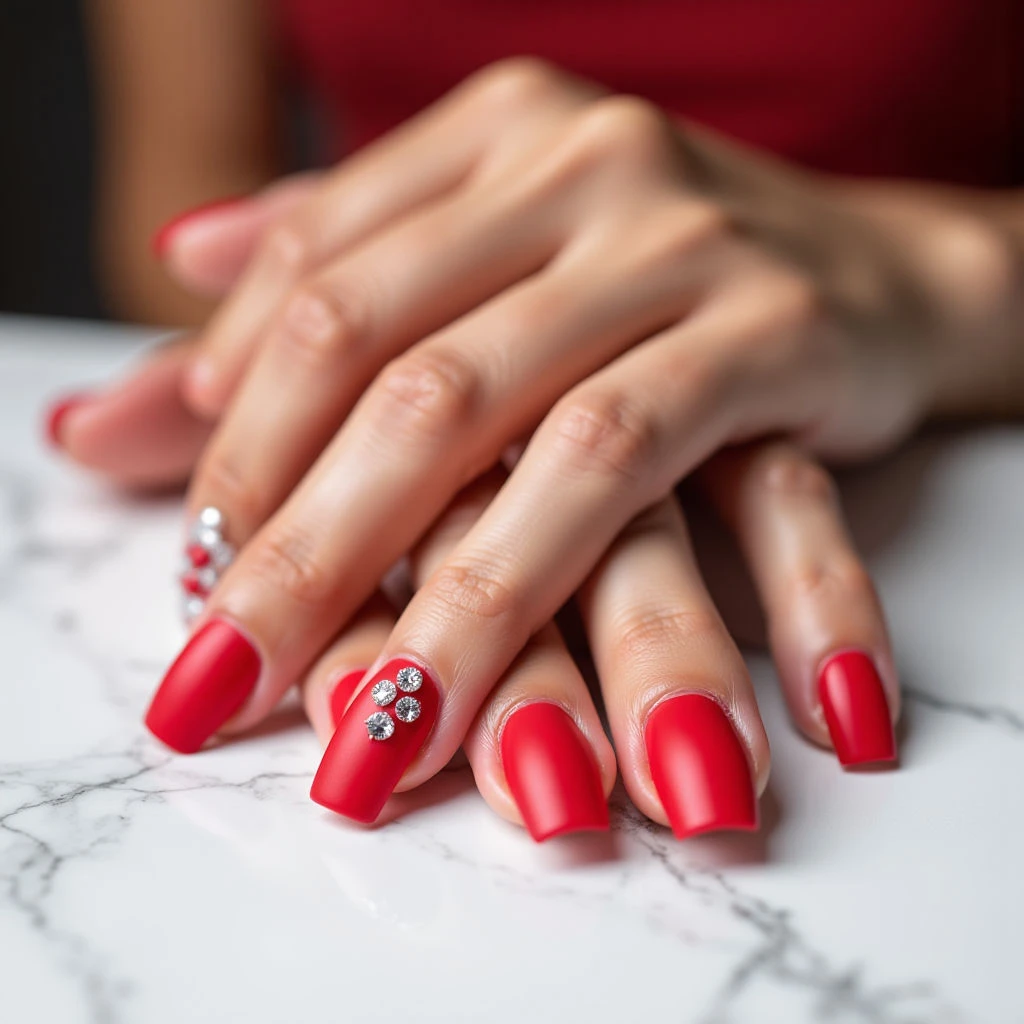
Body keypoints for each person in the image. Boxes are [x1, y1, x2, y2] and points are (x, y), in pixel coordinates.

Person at [47, 2, 1023, 841]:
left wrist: (940, 274)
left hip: (900, 394)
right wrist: (428, 398)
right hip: (416, 372)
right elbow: (187, 212)